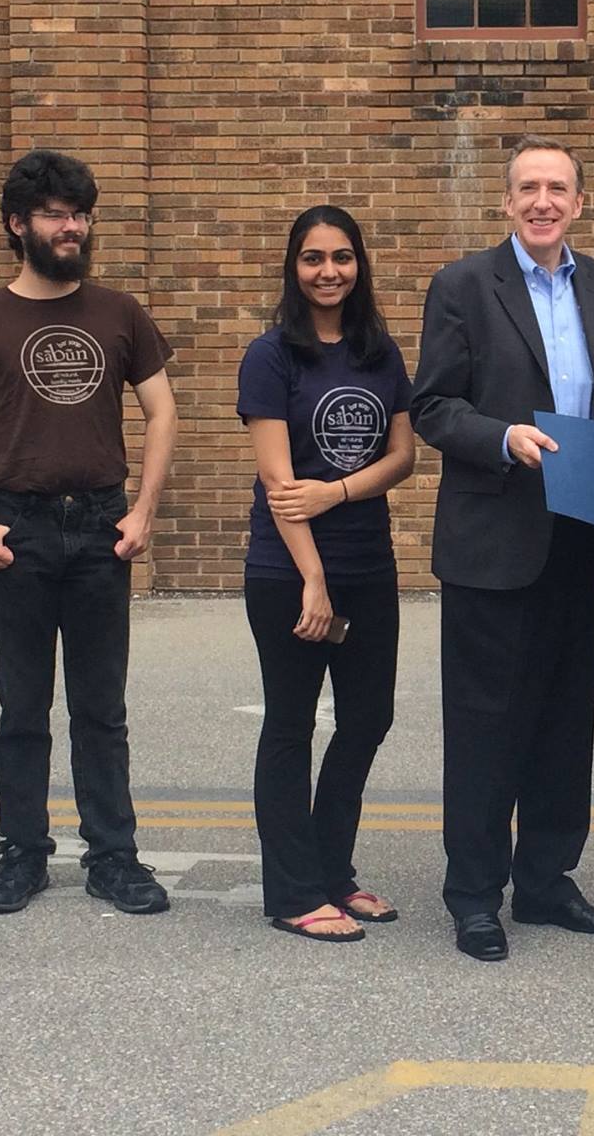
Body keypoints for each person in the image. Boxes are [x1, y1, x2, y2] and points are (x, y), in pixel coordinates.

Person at [411, 133, 594, 962]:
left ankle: (546, 882)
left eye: (557, 189)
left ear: (580, 203)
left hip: (575, 536)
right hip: (492, 540)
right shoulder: (464, 286)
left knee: (562, 721)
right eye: (527, 188)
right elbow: (433, 407)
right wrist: (499, 435)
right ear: (507, 202)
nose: (543, 201)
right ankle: (474, 894)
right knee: (484, 726)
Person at [0, 150, 179, 917]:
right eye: (55, 214)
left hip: (102, 523)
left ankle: (114, 857)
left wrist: (142, 511)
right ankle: (22, 855)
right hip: (20, 526)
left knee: (102, 709)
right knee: (22, 707)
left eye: (79, 213)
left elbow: (163, 411)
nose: (72, 227)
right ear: (18, 224)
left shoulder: (119, 313)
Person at [237, 206, 415, 943]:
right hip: (289, 571)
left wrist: (340, 491)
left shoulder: (380, 353)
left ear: (359, 265)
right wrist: (312, 579)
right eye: (313, 258)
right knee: (290, 724)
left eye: (342, 257)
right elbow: (281, 486)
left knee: (369, 717)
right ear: (294, 267)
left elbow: (403, 457)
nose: (329, 271)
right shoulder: (271, 356)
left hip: (368, 562)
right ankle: (291, 891)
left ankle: (332, 873)